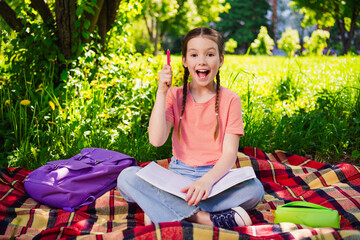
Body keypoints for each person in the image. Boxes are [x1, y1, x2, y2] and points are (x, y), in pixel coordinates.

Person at [117, 27, 264, 229]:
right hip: (178, 178)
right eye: (194, 54)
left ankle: (163, 211)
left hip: (216, 179)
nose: (202, 61)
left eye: (210, 54)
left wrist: (206, 182)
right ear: (185, 61)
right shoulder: (174, 95)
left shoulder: (231, 100)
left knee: (254, 190)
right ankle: (201, 218)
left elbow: (230, 153)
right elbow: (156, 140)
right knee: (126, 178)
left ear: (221, 60)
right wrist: (161, 92)